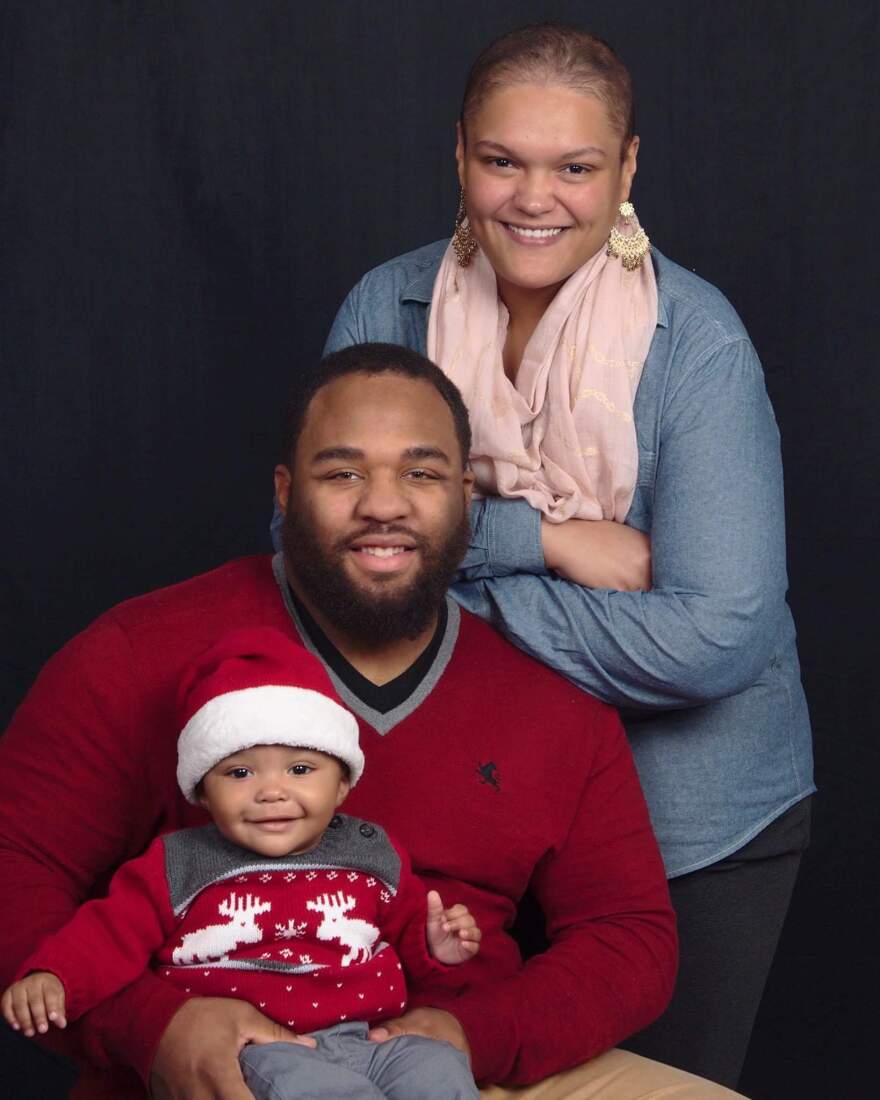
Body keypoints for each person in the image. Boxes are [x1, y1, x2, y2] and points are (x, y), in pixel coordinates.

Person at [0, 344, 744, 1099]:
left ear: (464, 495)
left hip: (457, 1059)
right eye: (343, 473)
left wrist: (473, 1036)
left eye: (419, 474)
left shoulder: (553, 705)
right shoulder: (136, 655)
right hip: (224, 1064)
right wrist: (149, 1026)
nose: (383, 505)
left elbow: (629, 938)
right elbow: (15, 863)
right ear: (286, 492)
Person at [294, 23, 815, 1089]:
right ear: (458, 157)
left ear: (625, 169)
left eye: (575, 166)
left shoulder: (696, 344)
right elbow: (314, 549)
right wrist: (553, 541)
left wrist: (451, 582)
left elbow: (712, 634)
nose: (536, 199)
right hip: (445, 819)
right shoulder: (384, 307)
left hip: (690, 822)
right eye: (503, 162)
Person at [2, 627, 482, 1100]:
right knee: (327, 1093)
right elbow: (110, 935)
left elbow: (407, 936)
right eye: (239, 772)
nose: (271, 791)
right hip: (256, 1048)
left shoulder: (370, 851)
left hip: (366, 1036)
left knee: (437, 1070)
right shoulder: (179, 863)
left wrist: (437, 947)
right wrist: (57, 976)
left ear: (341, 785)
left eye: (299, 769)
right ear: (203, 792)